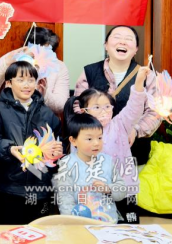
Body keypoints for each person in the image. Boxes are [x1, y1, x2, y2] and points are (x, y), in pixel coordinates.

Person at [65, 66, 151, 224]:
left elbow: (134, 108)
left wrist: (139, 83)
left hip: (124, 189)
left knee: (129, 227)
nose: (104, 111)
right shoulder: (80, 132)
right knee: (98, 227)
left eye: (107, 107)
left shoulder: (120, 123)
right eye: (97, 107)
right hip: (94, 193)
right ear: (84, 111)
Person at [0, 61, 63, 224]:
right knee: (8, 233)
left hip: (39, 185)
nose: (27, 85)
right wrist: (9, 149)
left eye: (31, 80)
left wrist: (56, 151)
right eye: (20, 80)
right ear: (9, 83)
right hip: (8, 186)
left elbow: (57, 140)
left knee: (37, 232)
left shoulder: (47, 113)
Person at [74, 25, 161, 166]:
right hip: (94, 156)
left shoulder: (146, 75)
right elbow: (78, 107)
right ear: (106, 45)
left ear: (136, 49)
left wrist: (135, 130)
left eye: (129, 39)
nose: (122, 42)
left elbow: (155, 112)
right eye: (117, 37)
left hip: (134, 154)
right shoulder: (89, 72)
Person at [53, 114, 126, 223]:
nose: (96, 143)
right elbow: (65, 198)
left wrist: (108, 188)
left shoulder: (107, 161)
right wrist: (71, 222)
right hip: (80, 224)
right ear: (73, 141)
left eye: (100, 138)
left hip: (108, 223)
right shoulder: (67, 164)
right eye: (89, 139)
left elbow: (122, 190)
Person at [0, 26, 70, 115]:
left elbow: (61, 106)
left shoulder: (59, 66)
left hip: (42, 117)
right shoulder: (14, 57)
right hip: (10, 114)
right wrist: (10, 61)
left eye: (47, 52)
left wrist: (44, 93)